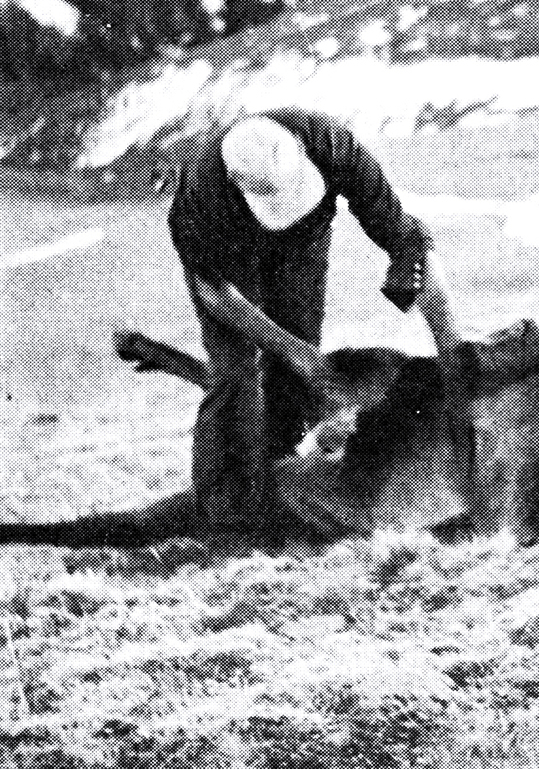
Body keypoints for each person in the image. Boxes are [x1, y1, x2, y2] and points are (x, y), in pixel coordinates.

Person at [168, 107, 462, 545]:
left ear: (303, 155)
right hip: (231, 253)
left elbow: (408, 240)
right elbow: (216, 293)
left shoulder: (334, 144)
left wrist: (453, 352)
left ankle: (280, 488)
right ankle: (223, 513)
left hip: (304, 236)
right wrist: (295, 352)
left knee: (298, 353)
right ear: (238, 184)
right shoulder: (202, 194)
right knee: (238, 375)